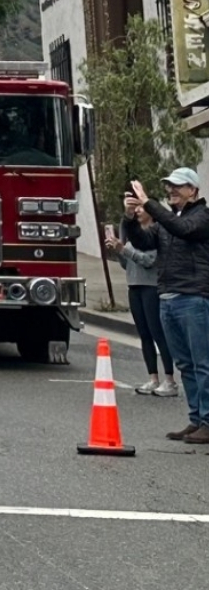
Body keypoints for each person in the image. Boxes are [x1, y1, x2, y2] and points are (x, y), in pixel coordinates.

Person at [122, 168, 209, 442]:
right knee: (184, 363)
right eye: (168, 186)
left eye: (178, 187)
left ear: (193, 191)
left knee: (202, 363)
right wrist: (130, 218)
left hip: (194, 297)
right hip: (168, 297)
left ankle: (208, 420)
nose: (171, 190)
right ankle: (196, 420)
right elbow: (144, 241)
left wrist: (149, 203)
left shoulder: (201, 217)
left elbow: (181, 229)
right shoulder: (170, 220)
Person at [105, 195, 177, 396]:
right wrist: (119, 250)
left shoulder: (155, 233)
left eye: (141, 208)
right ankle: (153, 378)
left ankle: (170, 380)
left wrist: (124, 249)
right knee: (144, 334)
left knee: (158, 333)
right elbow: (127, 264)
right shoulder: (134, 235)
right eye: (135, 208)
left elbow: (149, 261)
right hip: (134, 286)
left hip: (151, 287)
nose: (137, 211)